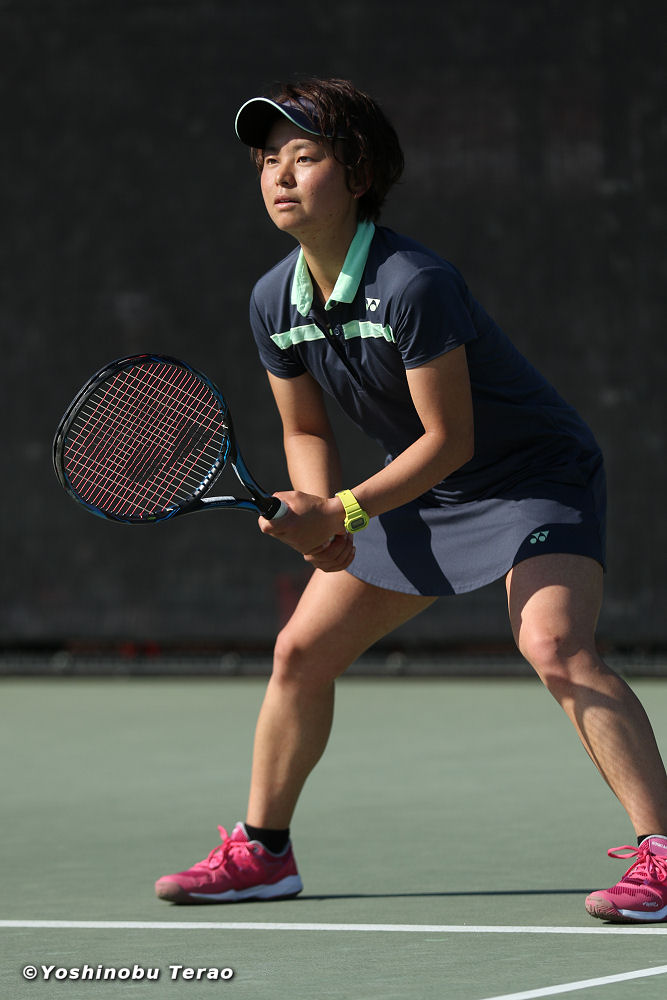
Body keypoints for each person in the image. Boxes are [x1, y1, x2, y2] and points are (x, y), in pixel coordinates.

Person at [155, 77, 667, 922]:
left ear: (358, 174)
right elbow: (306, 429)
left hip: (533, 476)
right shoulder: (271, 301)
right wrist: (317, 513)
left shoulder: (413, 283)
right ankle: (263, 853)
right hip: (423, 487)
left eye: (304, 157)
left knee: (553, 644)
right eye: (268, 159)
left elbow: (449, 439)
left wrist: (345, 513)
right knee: (299, 652)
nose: (280, 175)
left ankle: (661, 853)